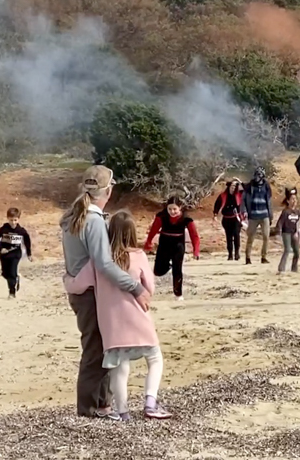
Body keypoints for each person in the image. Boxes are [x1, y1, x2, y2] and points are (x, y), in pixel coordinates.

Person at [61, 165, 149, 420]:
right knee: (96, 348)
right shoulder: (94, 221)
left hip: (80, 291)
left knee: (98, 346)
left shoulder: (73, 216)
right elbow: (104, 263)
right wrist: (136, 287)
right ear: (108, 190)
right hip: (90, 293)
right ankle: (90, 408)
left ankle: (101, 405)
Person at [93, 210, 172, 420]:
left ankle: (122, 412)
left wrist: (69, 280)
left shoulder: (101, 259)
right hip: (138, 317)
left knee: (120, 367)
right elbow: (150, 288)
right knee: (154, 357)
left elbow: (81, 282)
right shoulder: (138, 256)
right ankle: (150, 403)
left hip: (111, 324)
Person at [143, 196, 200, 301]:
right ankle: (169, 266)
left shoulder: (187, 219)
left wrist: (195, 251)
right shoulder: (162, 216)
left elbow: (194, 236)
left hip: (178, 245)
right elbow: (153, 230)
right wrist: (148, 242)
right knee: (157, 271)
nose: (172, 212)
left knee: (177, 270)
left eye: (175, 209)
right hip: (164, 243)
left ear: (180, 208)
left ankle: (178, 294)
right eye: (170, 209)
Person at [0, 207, 33, 299]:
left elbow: (27, 241)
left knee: (11, 272)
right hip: (4, 254)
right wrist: (0, 248)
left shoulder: (21, 231)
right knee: (5, 273)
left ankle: (12, 292)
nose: (13, 222)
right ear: (7, 218)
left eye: (15, 220)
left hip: (15, 254)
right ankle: (15, 277)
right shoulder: (3, 229)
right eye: (11, 220)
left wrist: (29, 254)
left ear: (18, 219)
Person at [243, 166, 274, 265]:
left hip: (264, 215)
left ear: (262, 176)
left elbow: (269, 201)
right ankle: (247, 258)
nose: (257, 177)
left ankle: (264, 257)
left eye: (259, 175)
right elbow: (243, 200)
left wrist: (270, 215)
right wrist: (244, 211)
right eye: (256, 174)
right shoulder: (249, 186)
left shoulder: (266, 186)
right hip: (253, 216)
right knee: (250, 237)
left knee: (266, 236)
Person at [213, 178, 245, 261]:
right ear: (229, 186)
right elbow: (217, 205)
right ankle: (230, 254)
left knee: (236, 235)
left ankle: (237, 253)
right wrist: (215, 214)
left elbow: (247, 189)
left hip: (236, 218)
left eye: (235, 186)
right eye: (233, 185)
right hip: (226, 219)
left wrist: (240, 181)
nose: (234, 187)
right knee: (229, 236)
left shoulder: (239, 194)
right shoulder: (223, 195)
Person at [277, 188, 300, 273]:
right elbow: (280, 222)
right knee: (287, 249)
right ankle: (281, 268)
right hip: (286, 232)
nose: (294, 201)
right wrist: (279, 231)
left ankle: (294, 269)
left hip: (295, 233)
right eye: (292, 199)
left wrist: (299, 233)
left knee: (297, 252)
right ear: (288, 201)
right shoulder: (285, 212)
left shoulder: (298, 212)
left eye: (295, 199)